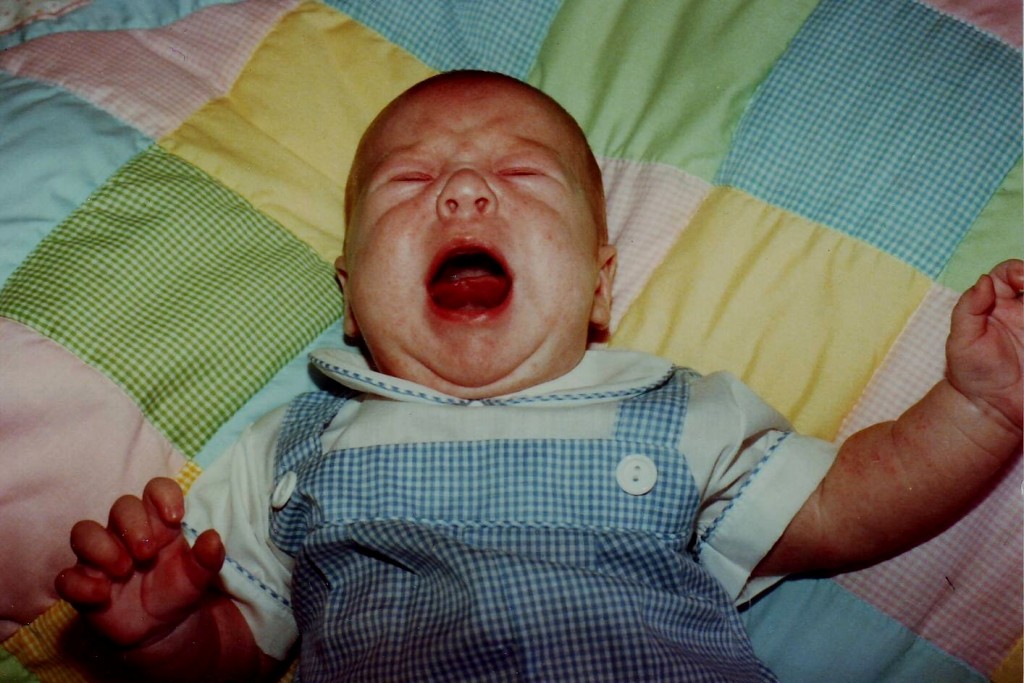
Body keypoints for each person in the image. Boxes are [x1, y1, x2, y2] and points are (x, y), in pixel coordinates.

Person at [55, 71, 1023, 682]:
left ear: (599, 286)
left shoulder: (673, 412)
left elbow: (849, 501)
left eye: (520, 176)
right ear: (349, 298)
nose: (463, 191)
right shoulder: (295, 448)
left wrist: (979, 405)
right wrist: (167, 633)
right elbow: (238, 647)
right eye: (408, 181)